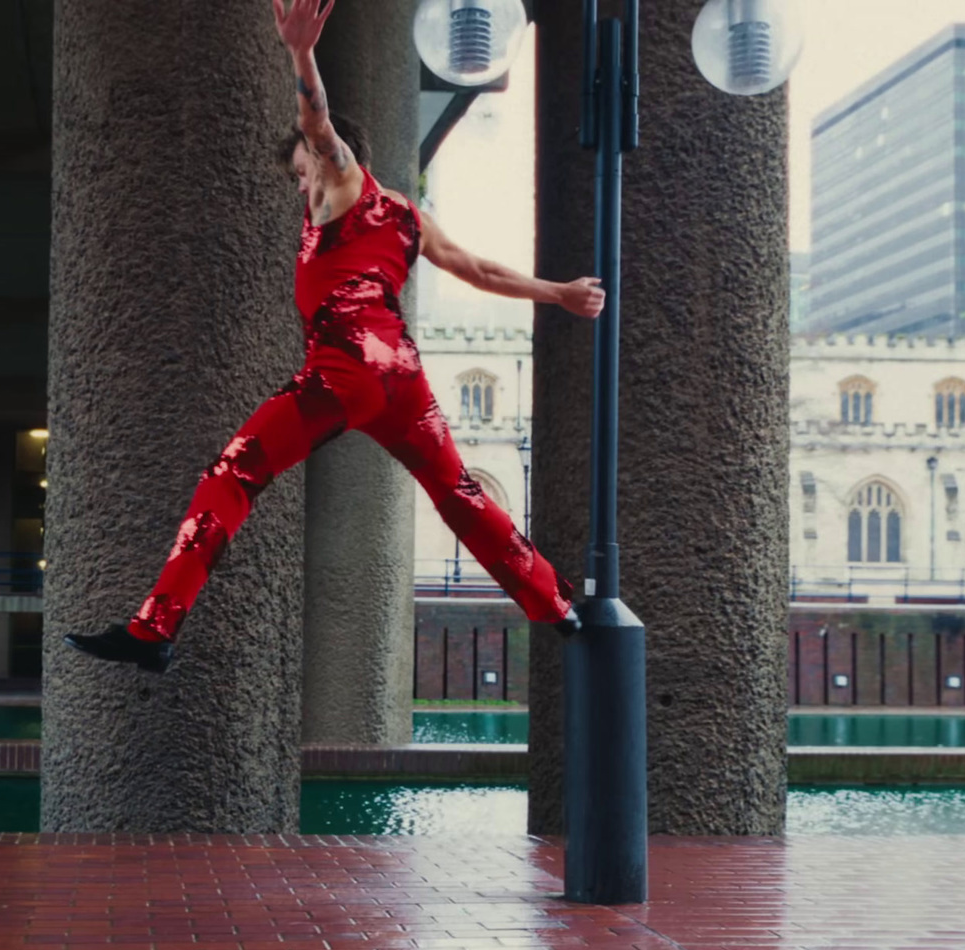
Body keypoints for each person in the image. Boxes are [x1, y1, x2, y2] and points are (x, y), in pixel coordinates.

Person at [65, 0, 605, 674]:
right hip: (402, 379)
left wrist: (299, 53)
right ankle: (557, 608)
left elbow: (316, 122)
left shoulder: (342, 182)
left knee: (233, 473)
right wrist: (560, 294)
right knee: (460, 494)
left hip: (344, 371)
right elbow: (478, 269)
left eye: (302, 171)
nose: (303, 186)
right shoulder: (409, 215)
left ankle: (155, 628)